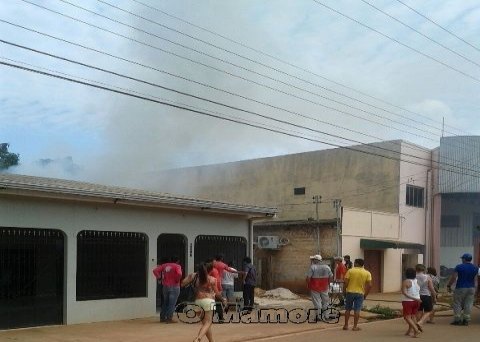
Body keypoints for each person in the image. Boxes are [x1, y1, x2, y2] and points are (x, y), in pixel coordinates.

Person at [182, 262, 226, 342]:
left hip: (198, 302)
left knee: (205, 324)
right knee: (208, 322)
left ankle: (211, 341)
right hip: (208, 301)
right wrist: (223, 300)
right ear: (210, 270)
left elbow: (183, 283)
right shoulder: (212, 279)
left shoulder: (193, 276)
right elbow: (217, 293)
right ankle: (198, 339)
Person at [447, 253, 479, 326]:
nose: (462, 260)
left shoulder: (459, 267)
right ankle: (466, 320)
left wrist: (449, 285)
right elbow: (476, 278)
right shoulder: (476, 268)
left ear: (464, 259)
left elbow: (454, 277)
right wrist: (476, 288)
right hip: (471, 288)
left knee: (457, 303)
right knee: (468, 304)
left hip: (460, 287)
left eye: (462, 258)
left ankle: (457, 320)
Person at [343, 258, 372, 331]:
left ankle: (346, 325)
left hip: (350, 292)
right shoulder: (367, 273)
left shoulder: (350, 271)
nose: (354, 263)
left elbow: (345, 282)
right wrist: (365, 294)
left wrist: (344, 291)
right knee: (357, 310)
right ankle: (355, 326)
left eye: (355, 262)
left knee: (348, 309)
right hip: (360, 293)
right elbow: (370, 285)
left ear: (357, 263)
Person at [152, 256, 182, 323]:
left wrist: (159, 278)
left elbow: (155, 271)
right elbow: (179, 274)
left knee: (165, 302)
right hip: (174, 287)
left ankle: (162, 318)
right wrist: (177, 280)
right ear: (177, 261)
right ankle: (169, 318)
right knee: (172, 303)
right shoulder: (177, 266)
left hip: (165, 287)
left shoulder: (164, 265)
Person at [306, 254, 333, 321]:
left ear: (316, 260)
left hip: (315, 287)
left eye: (313, 259)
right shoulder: (327, 267)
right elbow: (331, 277)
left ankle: (319, 316)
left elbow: (308, 278)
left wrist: (308, 285)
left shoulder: (313, 267)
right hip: (324, 287)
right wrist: (329, 284)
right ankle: (326, 316)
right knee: (326, 302)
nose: (312, 260)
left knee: (317, 302)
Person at [401, 267, 422, 338]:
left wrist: (413, 298)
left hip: (408, 302)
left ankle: (416, 330)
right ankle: (409, 331)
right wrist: (417, 299)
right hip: (417, 301)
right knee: (413, 316)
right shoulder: (417, 281)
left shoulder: (406, 281)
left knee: (407, 317)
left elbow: (404, 293)